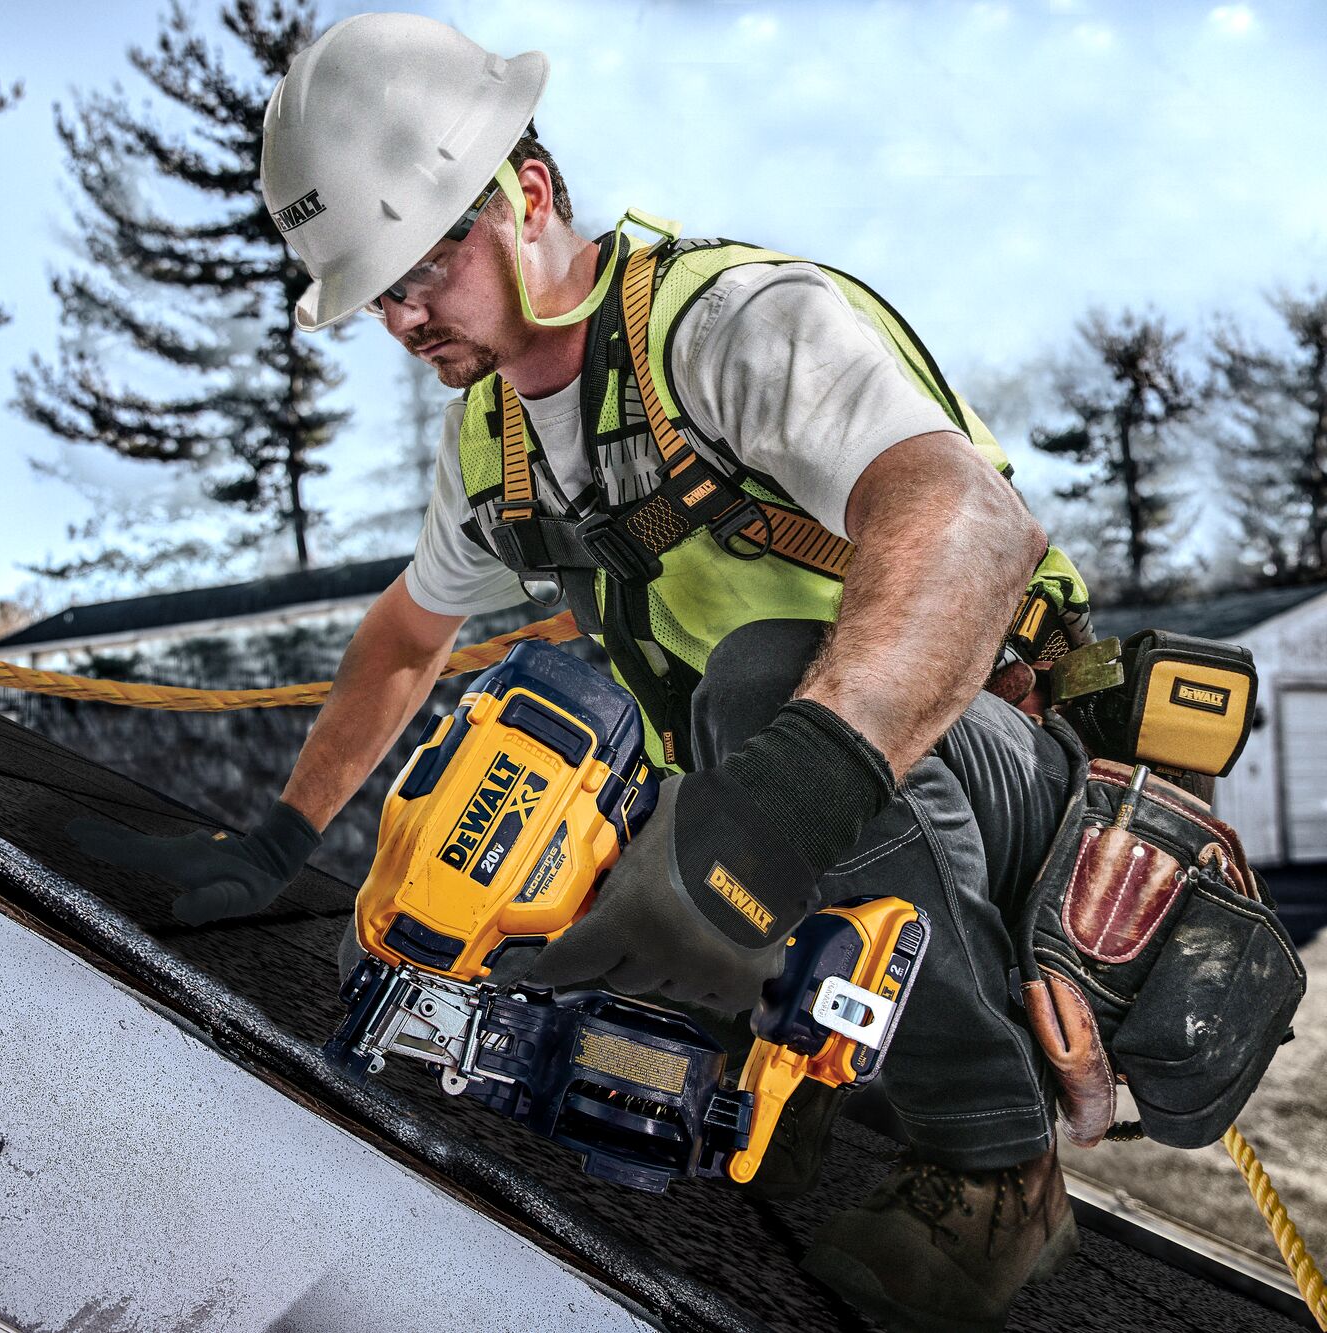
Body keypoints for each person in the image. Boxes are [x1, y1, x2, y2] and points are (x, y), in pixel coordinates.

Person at [73, 14, 1093, 1331]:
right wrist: (275, 839)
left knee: (755, 680)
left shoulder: (734, 326)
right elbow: (403, 638)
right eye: (374, 294)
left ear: (528, 195)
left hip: (988, 764)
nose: (399, 316)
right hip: (779, 797)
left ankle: (997, 1157)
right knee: (527, 766)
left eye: (418, 265)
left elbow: (977, 529)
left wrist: (771, 814)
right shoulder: (495, 439)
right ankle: (758, 1065)